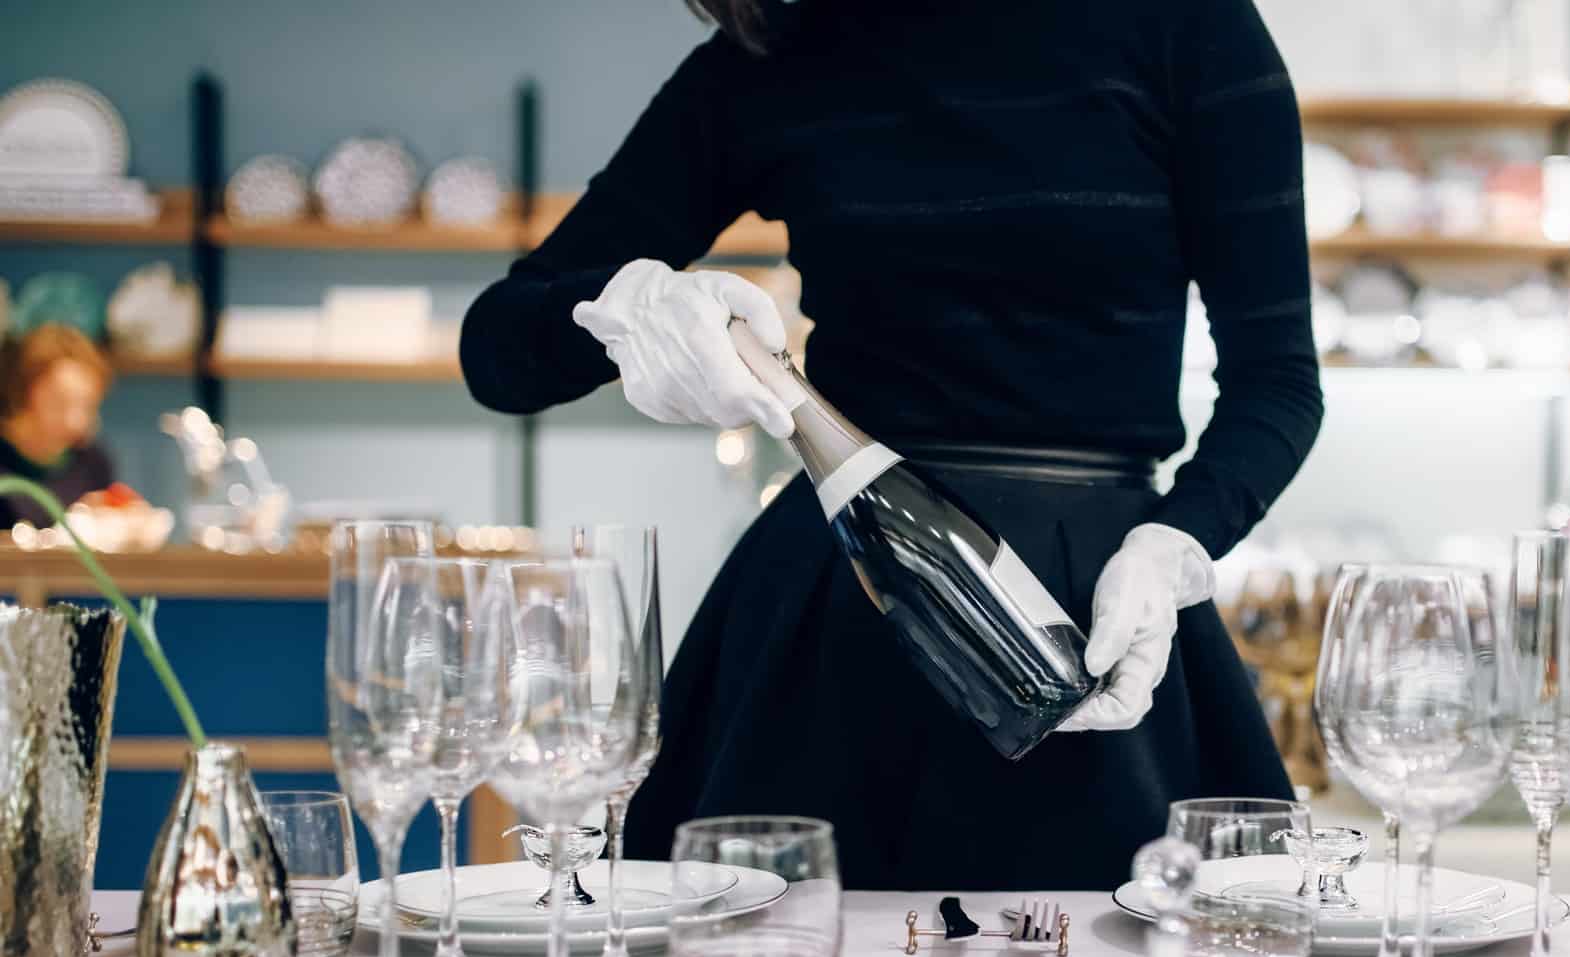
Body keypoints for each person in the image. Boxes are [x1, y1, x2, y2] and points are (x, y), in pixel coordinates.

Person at [460, 0, 1324, 892]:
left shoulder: (1186, 25)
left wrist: (1176, 543)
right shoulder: (773, 53)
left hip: (1097, 614)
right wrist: (629, 310)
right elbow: (497, 352)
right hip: (839, 601)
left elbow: (1279, 383)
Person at [0, 324, 117, 528]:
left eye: (87, 406)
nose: (74, 421)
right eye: (58, 403)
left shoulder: (93, 463)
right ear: (23, 393)